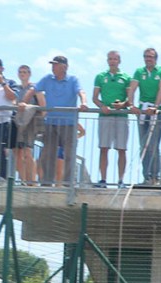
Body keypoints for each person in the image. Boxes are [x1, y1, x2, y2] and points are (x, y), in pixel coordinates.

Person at [35, 56, 88, 187]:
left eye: (56, 65)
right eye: (53, 65)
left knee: (69, 154)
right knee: (48, 154)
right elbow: (34, 90)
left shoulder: (73, 80)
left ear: (64, 67)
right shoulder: (47, 79)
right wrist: (23, 102)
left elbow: (81, 91)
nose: (53, 67)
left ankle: (67, 183)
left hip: (68, 123)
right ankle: (46, 182)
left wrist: (84, 103)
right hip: (51, 122)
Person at [127, 48, 161, 186]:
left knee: (153, 145)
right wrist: (131, 105)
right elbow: (132, 88)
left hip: (157, 111)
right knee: (143, 144)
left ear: (155, 58)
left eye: (150, 57)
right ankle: (146, 176)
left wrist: (156, 106)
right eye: (146, 56)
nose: (148, 59)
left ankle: (155, 177)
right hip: (143, 110)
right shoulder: (139, 72)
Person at [92, 50, 131, 189]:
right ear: (107, 61)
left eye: (115, 59)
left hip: (121, 116)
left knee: (121, 149)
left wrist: (122, 104)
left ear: (119, 61)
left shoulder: (126, 77)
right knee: (104, 148)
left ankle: (121, 180)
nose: (112, 61)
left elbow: (129, 99)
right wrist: (102, 106)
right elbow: (95, 97)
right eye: (110, 59)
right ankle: (103, 180)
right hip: (105, 116)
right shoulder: (100, 77)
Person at [13, 65, 39, 185]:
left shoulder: (34, 87)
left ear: (29, 74)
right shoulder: (16, 88)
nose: (22, 74)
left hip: (30, 123)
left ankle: (32, 180)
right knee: (18, 152)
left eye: (24, 72)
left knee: (28, 152)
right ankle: (23, 180)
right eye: (20, 72)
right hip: (17, 122)